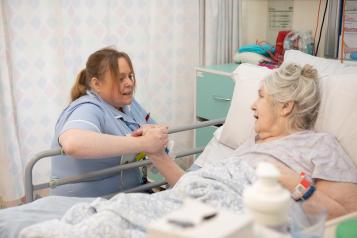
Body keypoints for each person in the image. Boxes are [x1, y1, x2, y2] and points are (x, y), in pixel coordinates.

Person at [7, 63, 357, 237]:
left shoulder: (317, 146)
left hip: (241, 209)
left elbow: (346, 214)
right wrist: (158, 156)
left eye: (261, 97)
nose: (252, 106)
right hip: (195, 199)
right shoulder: (251, 144)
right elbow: (190, 186)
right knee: (109, 216)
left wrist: (284, 179)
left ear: (286, 106)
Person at [50, 47, 168, 197]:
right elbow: (73, 144)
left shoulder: (129, 105)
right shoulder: (88, 108)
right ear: (96, 84)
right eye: (120, 78)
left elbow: (157, 138)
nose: (129, 83)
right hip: (86, 201)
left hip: (130, 193)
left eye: (130, 76)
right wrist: (144, 143)